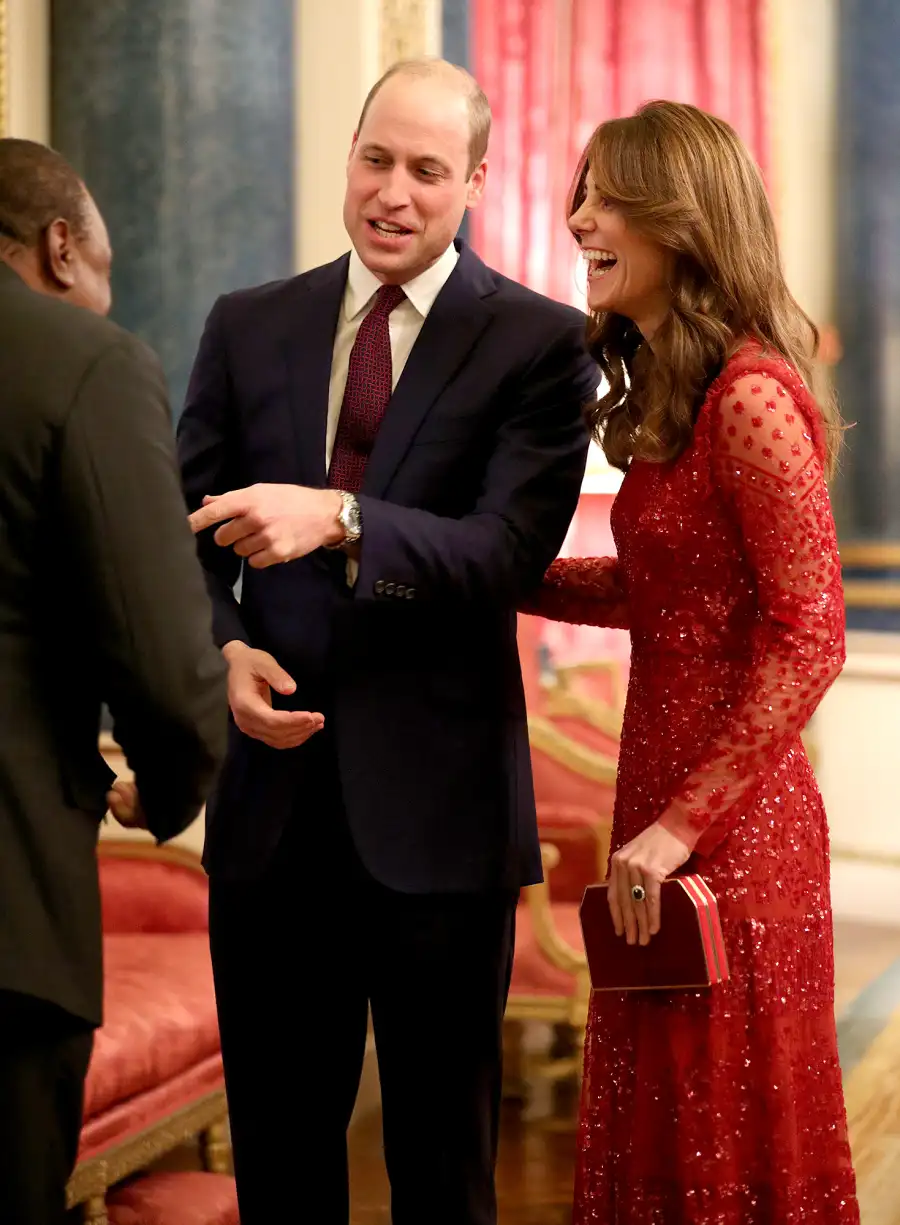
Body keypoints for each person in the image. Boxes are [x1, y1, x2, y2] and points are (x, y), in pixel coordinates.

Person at [178, 57, 597, 1225]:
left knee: (442, 1169)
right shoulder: (248, 324)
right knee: (282, 1155)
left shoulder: (541, 345)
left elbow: (505, 554)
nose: (393, 192)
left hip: (442, 825)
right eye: (375, 160)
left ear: (471, 181)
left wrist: (347, 516)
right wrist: (222, 651)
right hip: (271, 813)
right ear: (347, 162)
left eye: (425, 169)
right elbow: (186, 535)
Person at [526, 101, 860, 1222]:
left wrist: (680, 825)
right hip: (657, 812)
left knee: (724, 1123)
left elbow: (811, 631)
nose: (580, 219)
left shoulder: (753, 399)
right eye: (581, 193)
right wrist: (482, 571)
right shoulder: (679, 400)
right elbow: (660, 596)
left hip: (733, 838)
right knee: (663, 1119)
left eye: (608, 197)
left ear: (686, 219)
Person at [0, 138, 228, 1225]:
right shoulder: (80, 361)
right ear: (58, 248)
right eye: (104, 267)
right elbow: (159, 645)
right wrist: (173, 782)